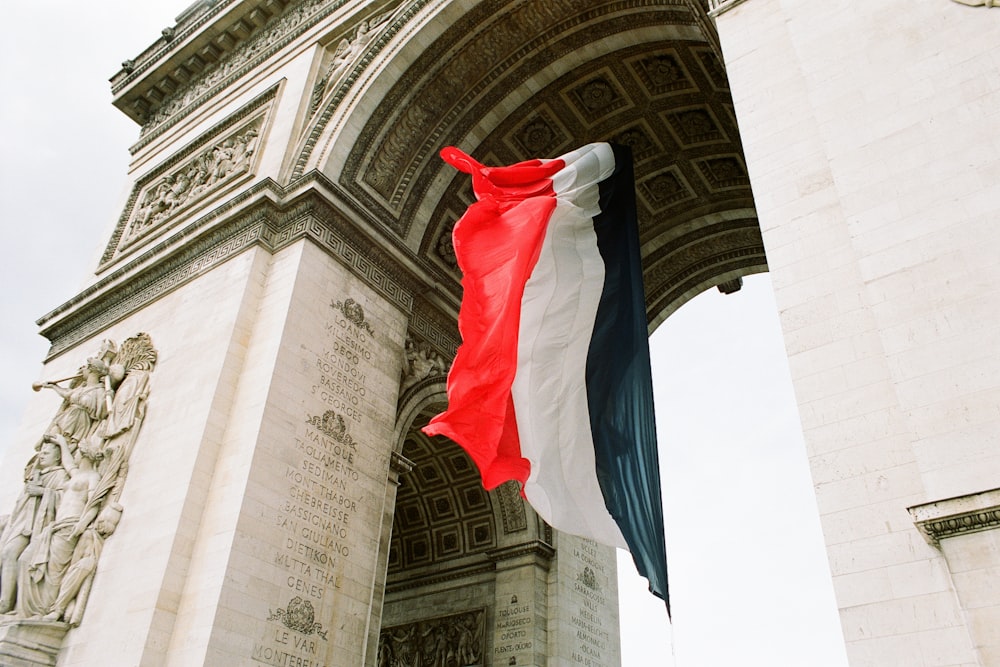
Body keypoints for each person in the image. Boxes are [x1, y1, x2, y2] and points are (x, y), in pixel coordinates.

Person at [0, 436, 69, 613]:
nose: (42, 456)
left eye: (47, 453)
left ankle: (6, 603)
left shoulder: (60, 474)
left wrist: (42, 492)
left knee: (12, 554)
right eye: (41, 453)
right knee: (6, 554)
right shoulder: (35, 474)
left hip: (39, 524)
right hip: (21, 522)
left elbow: (65, 498)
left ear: (57, 457)